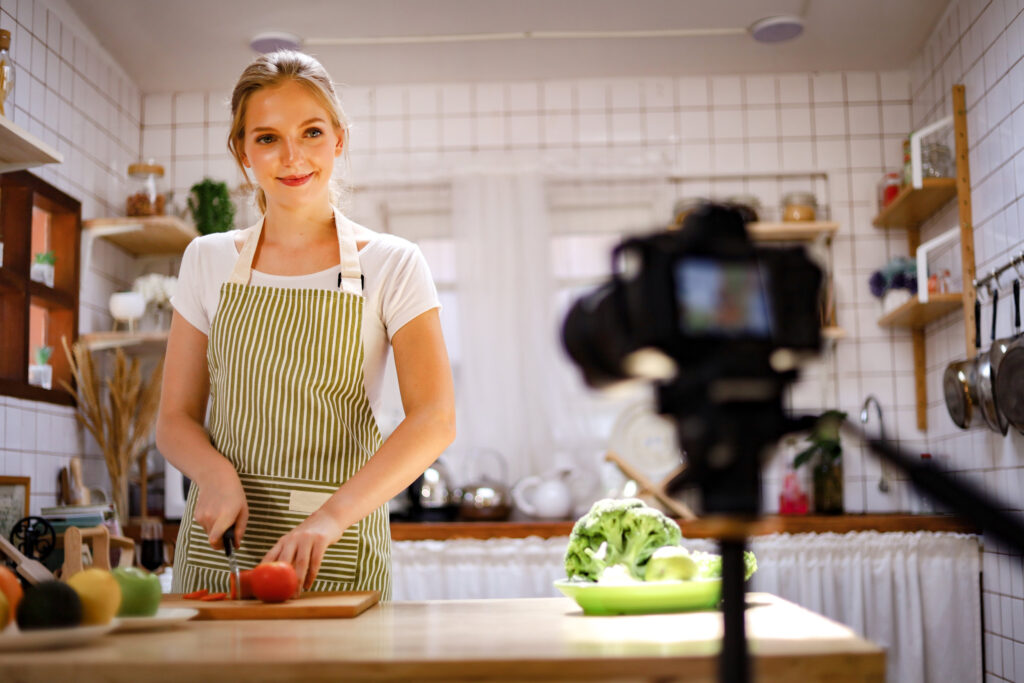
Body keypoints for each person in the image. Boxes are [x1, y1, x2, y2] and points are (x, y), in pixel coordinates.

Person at [156, 50, 455, 600]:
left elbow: (434, 419)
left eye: (311, 132)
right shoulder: (206, 259)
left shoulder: (392, 262)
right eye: (267, 138)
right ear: (242, 151)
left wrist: (330, 518)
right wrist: (216, 474)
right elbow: (174, 420)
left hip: (336, 547)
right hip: (221, 548)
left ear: (338, 139)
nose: (292, 157)